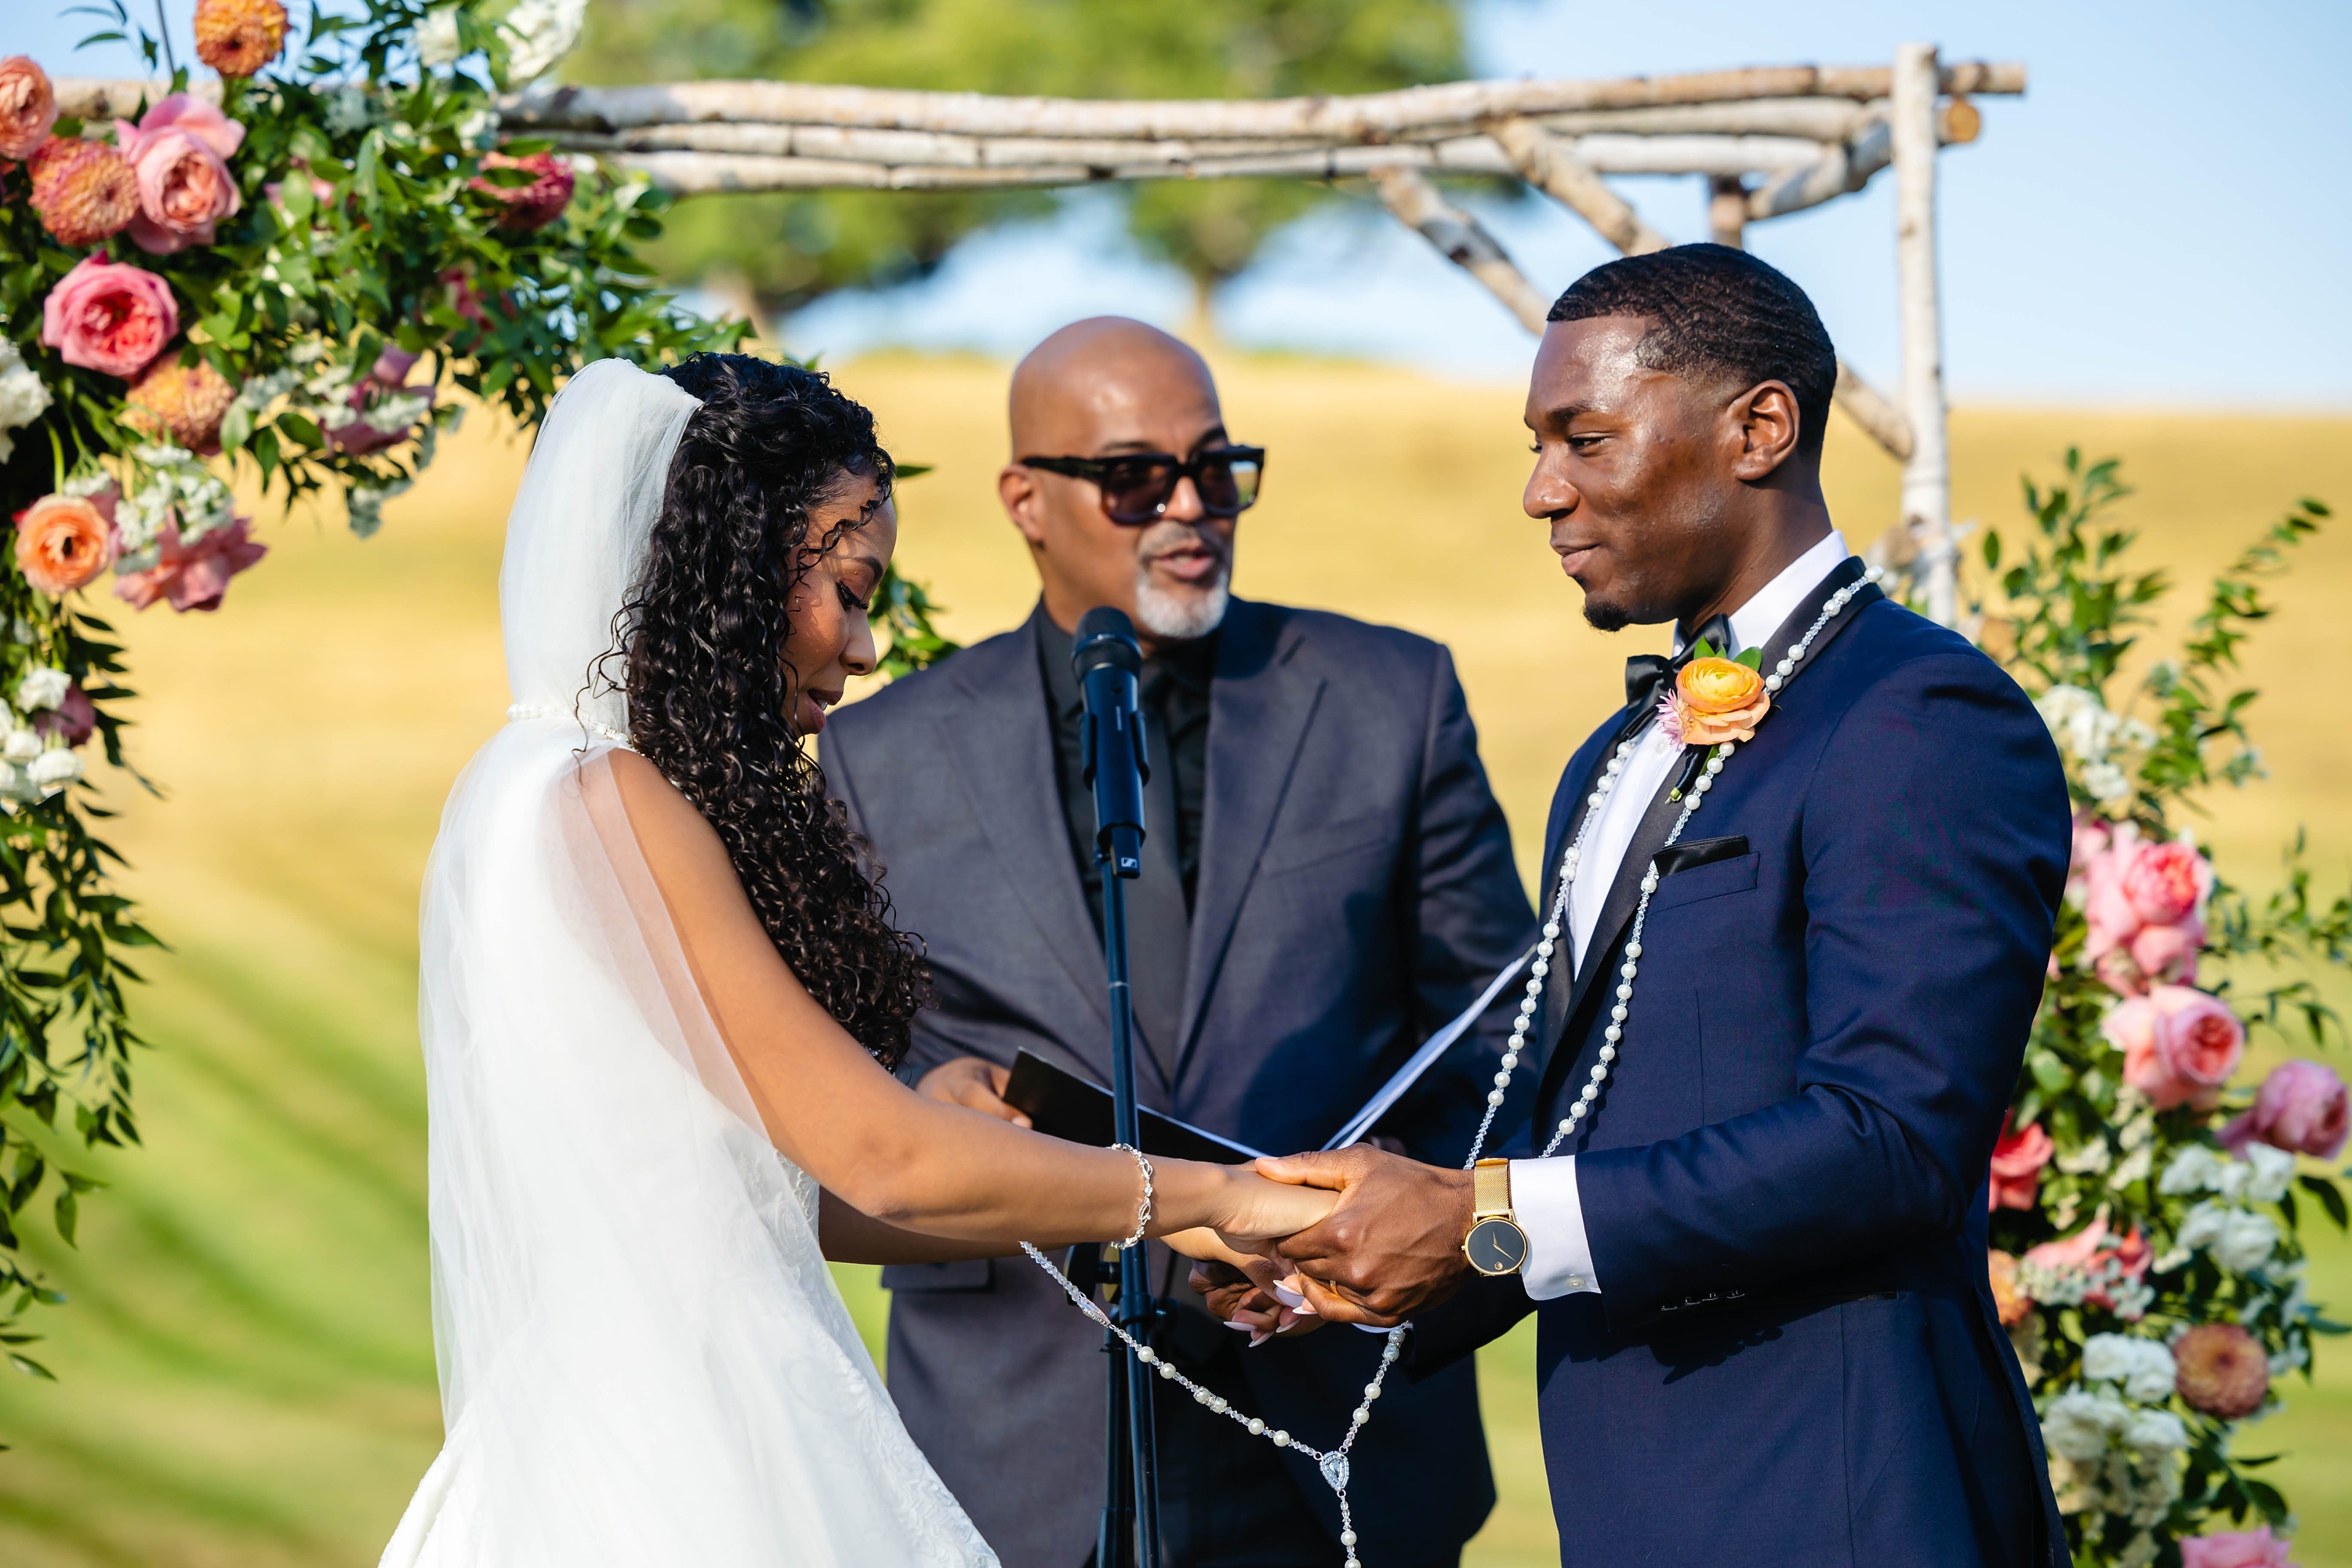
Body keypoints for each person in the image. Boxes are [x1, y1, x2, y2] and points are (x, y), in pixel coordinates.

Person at [379, 354, 1337, 1567]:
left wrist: (1146, 1229)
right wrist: (1217, 1192)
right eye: (849, 587)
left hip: (640, 1413)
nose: (870, 644)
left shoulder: (538, 788)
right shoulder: (606, 801)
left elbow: (787, 1203)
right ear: (732, 571)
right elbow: (883, 1157)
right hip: (689, 1460)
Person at [1203, 248, 2075, 1565]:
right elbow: (1589, 1123)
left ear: (1760, 429)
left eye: (1587, 439)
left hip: (1838, 1497)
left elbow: (1894, 1136)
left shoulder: (1918, 715)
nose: (1540, 491)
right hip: (1633, 1500)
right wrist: (1352, 1259)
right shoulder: (1610, 760)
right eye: (1539, 444)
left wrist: (1487, 1218)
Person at [818, 318, 1534, 1568]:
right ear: (1026, 500)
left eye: (1219, 468)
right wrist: (923, 1098)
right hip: (1013, 1440)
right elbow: (828, 1088)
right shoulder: (881, 754)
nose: (1191, 507)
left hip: (1338, 1428)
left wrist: (1364, 1232)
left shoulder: (1391, 698)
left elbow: (1504, 1037)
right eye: (1138, 477)